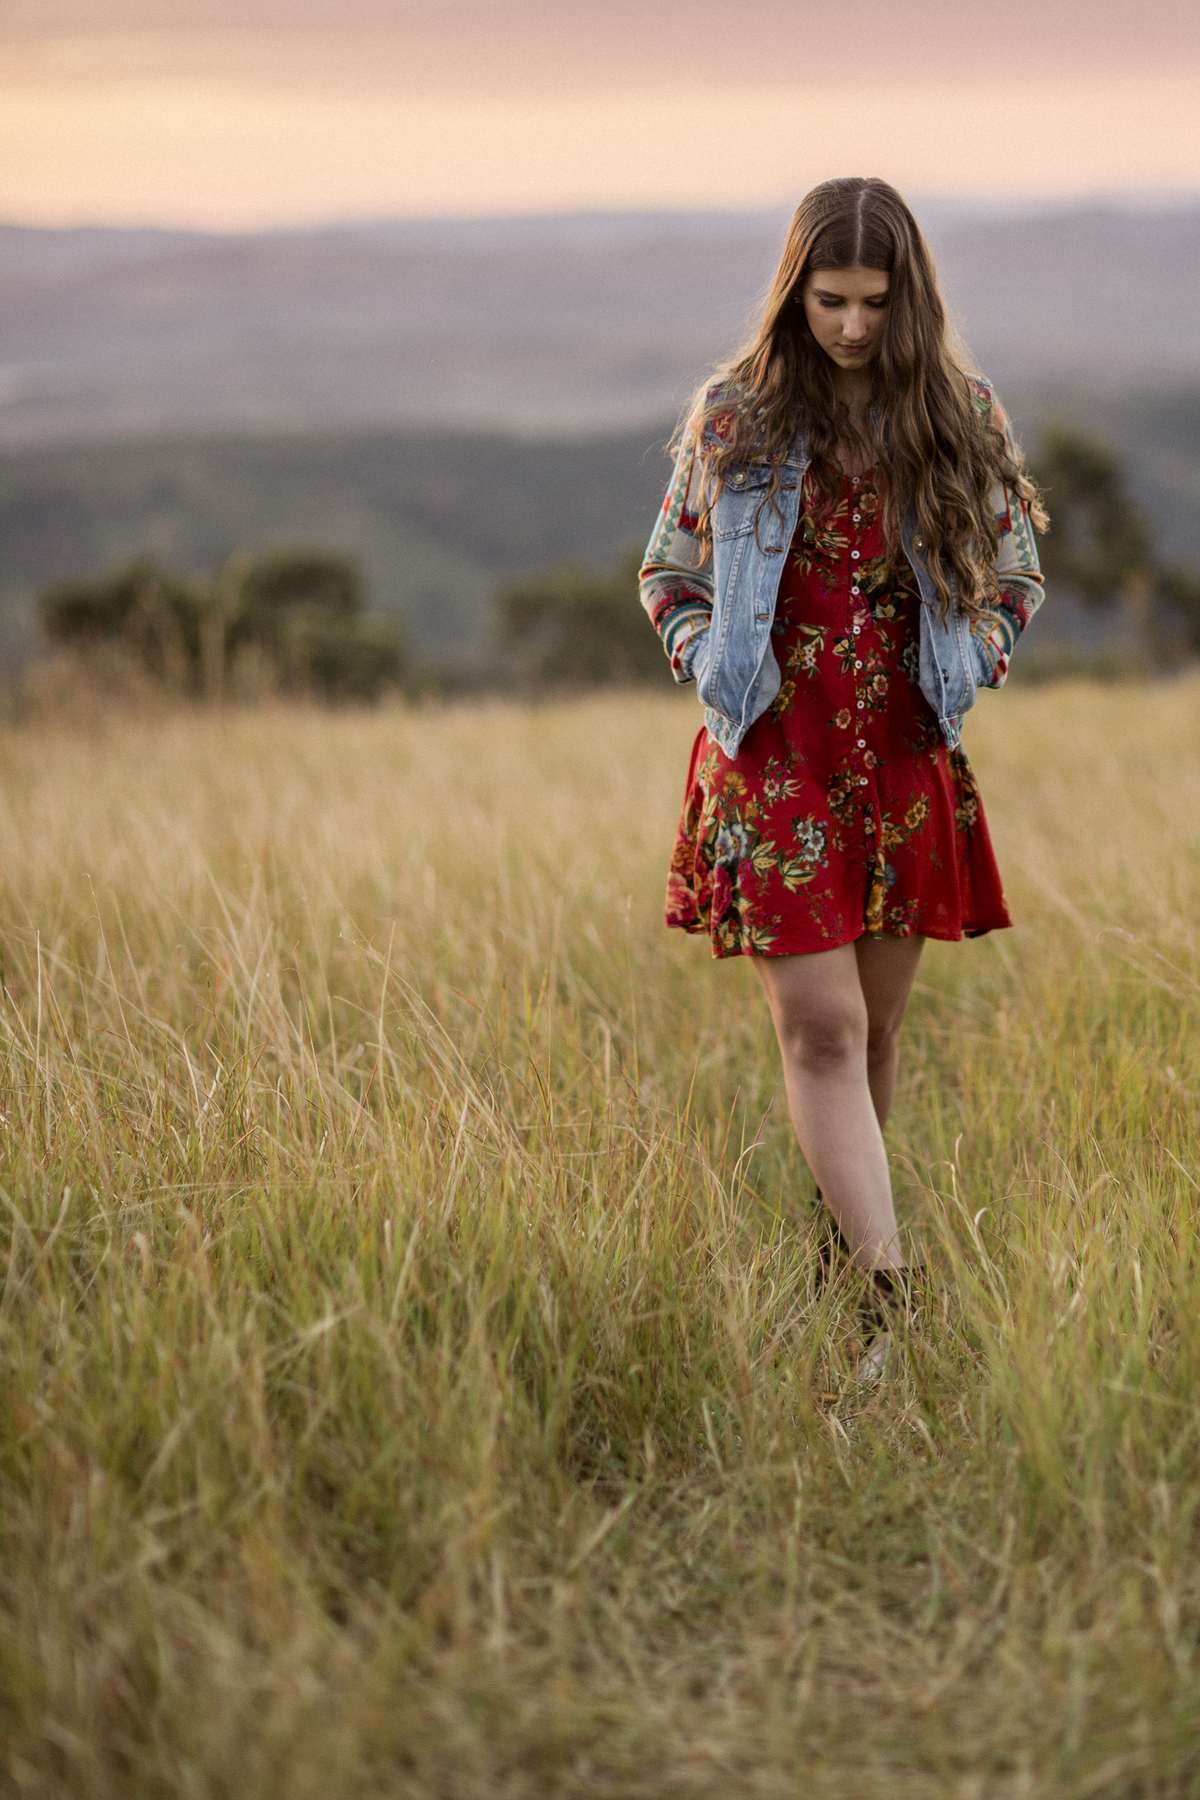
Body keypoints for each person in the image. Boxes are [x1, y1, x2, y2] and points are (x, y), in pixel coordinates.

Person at [639, 176, 1045, 1366]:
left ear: (907, 296)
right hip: (776, 756)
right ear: (794, 293)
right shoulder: (737, 418)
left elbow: (1019, 569)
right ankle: (891, 1310)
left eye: (875, 302)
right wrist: (708, 661)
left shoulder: (960, 413)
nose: (855, 326)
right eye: (831, 301)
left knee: (871, 1039)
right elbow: (668, 570)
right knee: (820, 1032)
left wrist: (976, 659)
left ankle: (843, 1271)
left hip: (903, 753)